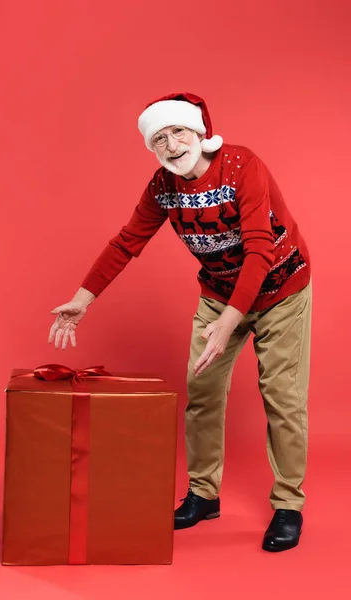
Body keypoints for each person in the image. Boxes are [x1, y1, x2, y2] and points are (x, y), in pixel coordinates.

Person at [48, 92, 312, 553]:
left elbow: (259, 248)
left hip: (280, 289)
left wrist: (231, 321)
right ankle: (203, 495)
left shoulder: (242, 166)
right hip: (219, 292)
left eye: (179, 133)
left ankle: (289, 504)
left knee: (282, 398)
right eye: (160, 138)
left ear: (200, 133)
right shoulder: (163, 187)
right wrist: (82, 299)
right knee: (203, 393)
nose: (171, 145)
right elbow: (126, 242)